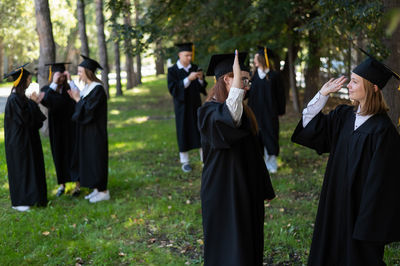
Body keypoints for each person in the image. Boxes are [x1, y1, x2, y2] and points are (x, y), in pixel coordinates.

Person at [291, 48, 400, 265]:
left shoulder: (383, 131)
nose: (348, 85)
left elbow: (383, 184)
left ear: (373, 87)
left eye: (355, 82)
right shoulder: (343, 116)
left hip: (360, 215)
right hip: (334, 203)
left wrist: (368, 224)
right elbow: (310, 126)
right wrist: (322, 95)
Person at [198, 51, 275, 265]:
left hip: (246, 189)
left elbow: (254, 155)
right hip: (223, 191)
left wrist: (264, 187)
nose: (247, 86)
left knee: (248, 242)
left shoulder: (244, 111)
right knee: (229, 245)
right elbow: (228, 119)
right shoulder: (208, 112)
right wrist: (237, 83)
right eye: (243, 80)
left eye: (248, 80)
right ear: (226, 79)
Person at [3, 63, 47, 211]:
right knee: (22, 169)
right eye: (28, 79)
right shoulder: (14, 99)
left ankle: (33, 198)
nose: (30, 81)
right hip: (19, 142)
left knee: (31, 168)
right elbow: (26, 120)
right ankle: (21, 201)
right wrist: (34, 104)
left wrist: (33, 103)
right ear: (22, 81)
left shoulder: (21, 97)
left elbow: (33, 120)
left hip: (27, 140)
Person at [66, 55, 109, 203]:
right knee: (89, 159)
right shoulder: (87, 88)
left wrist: (78, 100)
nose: (78, 74)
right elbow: (83, 107)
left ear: (88, 72)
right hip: (87, 131)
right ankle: (96, 188)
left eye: (80, 71)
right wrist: (76, 98)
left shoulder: (97, 89)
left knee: (97, 159)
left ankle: (103, 191)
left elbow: (90, 111)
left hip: (95, 132)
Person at [39, 62, 79, 197]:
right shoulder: (47, 89)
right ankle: (62, 185)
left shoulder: (70, 88)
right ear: (53, 76)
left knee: (74, 154)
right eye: (58, 76)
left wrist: (71, 80)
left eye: (62, 75)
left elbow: (79, 98)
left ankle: (77, 185)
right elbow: (46, 101)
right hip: (56, 128)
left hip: (71, 127)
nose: (61, 78)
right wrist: (54, 83)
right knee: (59, 154)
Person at [167, 43, 207, 172]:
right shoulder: (172, 70)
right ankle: (185, 162)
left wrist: (200, 79)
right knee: (183, 132)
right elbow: (173, 89)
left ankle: (204, 159)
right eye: (186, 55)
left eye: (190, 55)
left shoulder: (195, 68)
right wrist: (188, 79)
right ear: (179, 55)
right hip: (182, 108)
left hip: (195, 106)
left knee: (199, 131)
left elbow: (202, 87)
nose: (189, 58)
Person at [248, 46, 285, 173]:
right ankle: (259, 163)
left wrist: (280, 111)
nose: (254, 61)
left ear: (263, 59)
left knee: (270, 136)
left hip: (270, 113)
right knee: (256, 136)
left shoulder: (274, 76)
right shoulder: (252, 76)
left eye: (256, 58)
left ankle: (271, 163)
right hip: (255, 113)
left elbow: (280, 95)